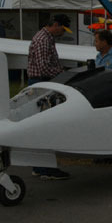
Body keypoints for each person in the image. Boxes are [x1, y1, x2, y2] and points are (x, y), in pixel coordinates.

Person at [27, 14, 72, 180]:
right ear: (55, 24)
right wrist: (63, 73)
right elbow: (44, 68)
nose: (62, 32)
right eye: (62, 28)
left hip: (41, 83)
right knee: (45, 125)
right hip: (41, 84)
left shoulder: (47, 38)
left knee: (41, 126)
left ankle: (40, 167)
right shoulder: (43, 40)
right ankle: (45, 168)